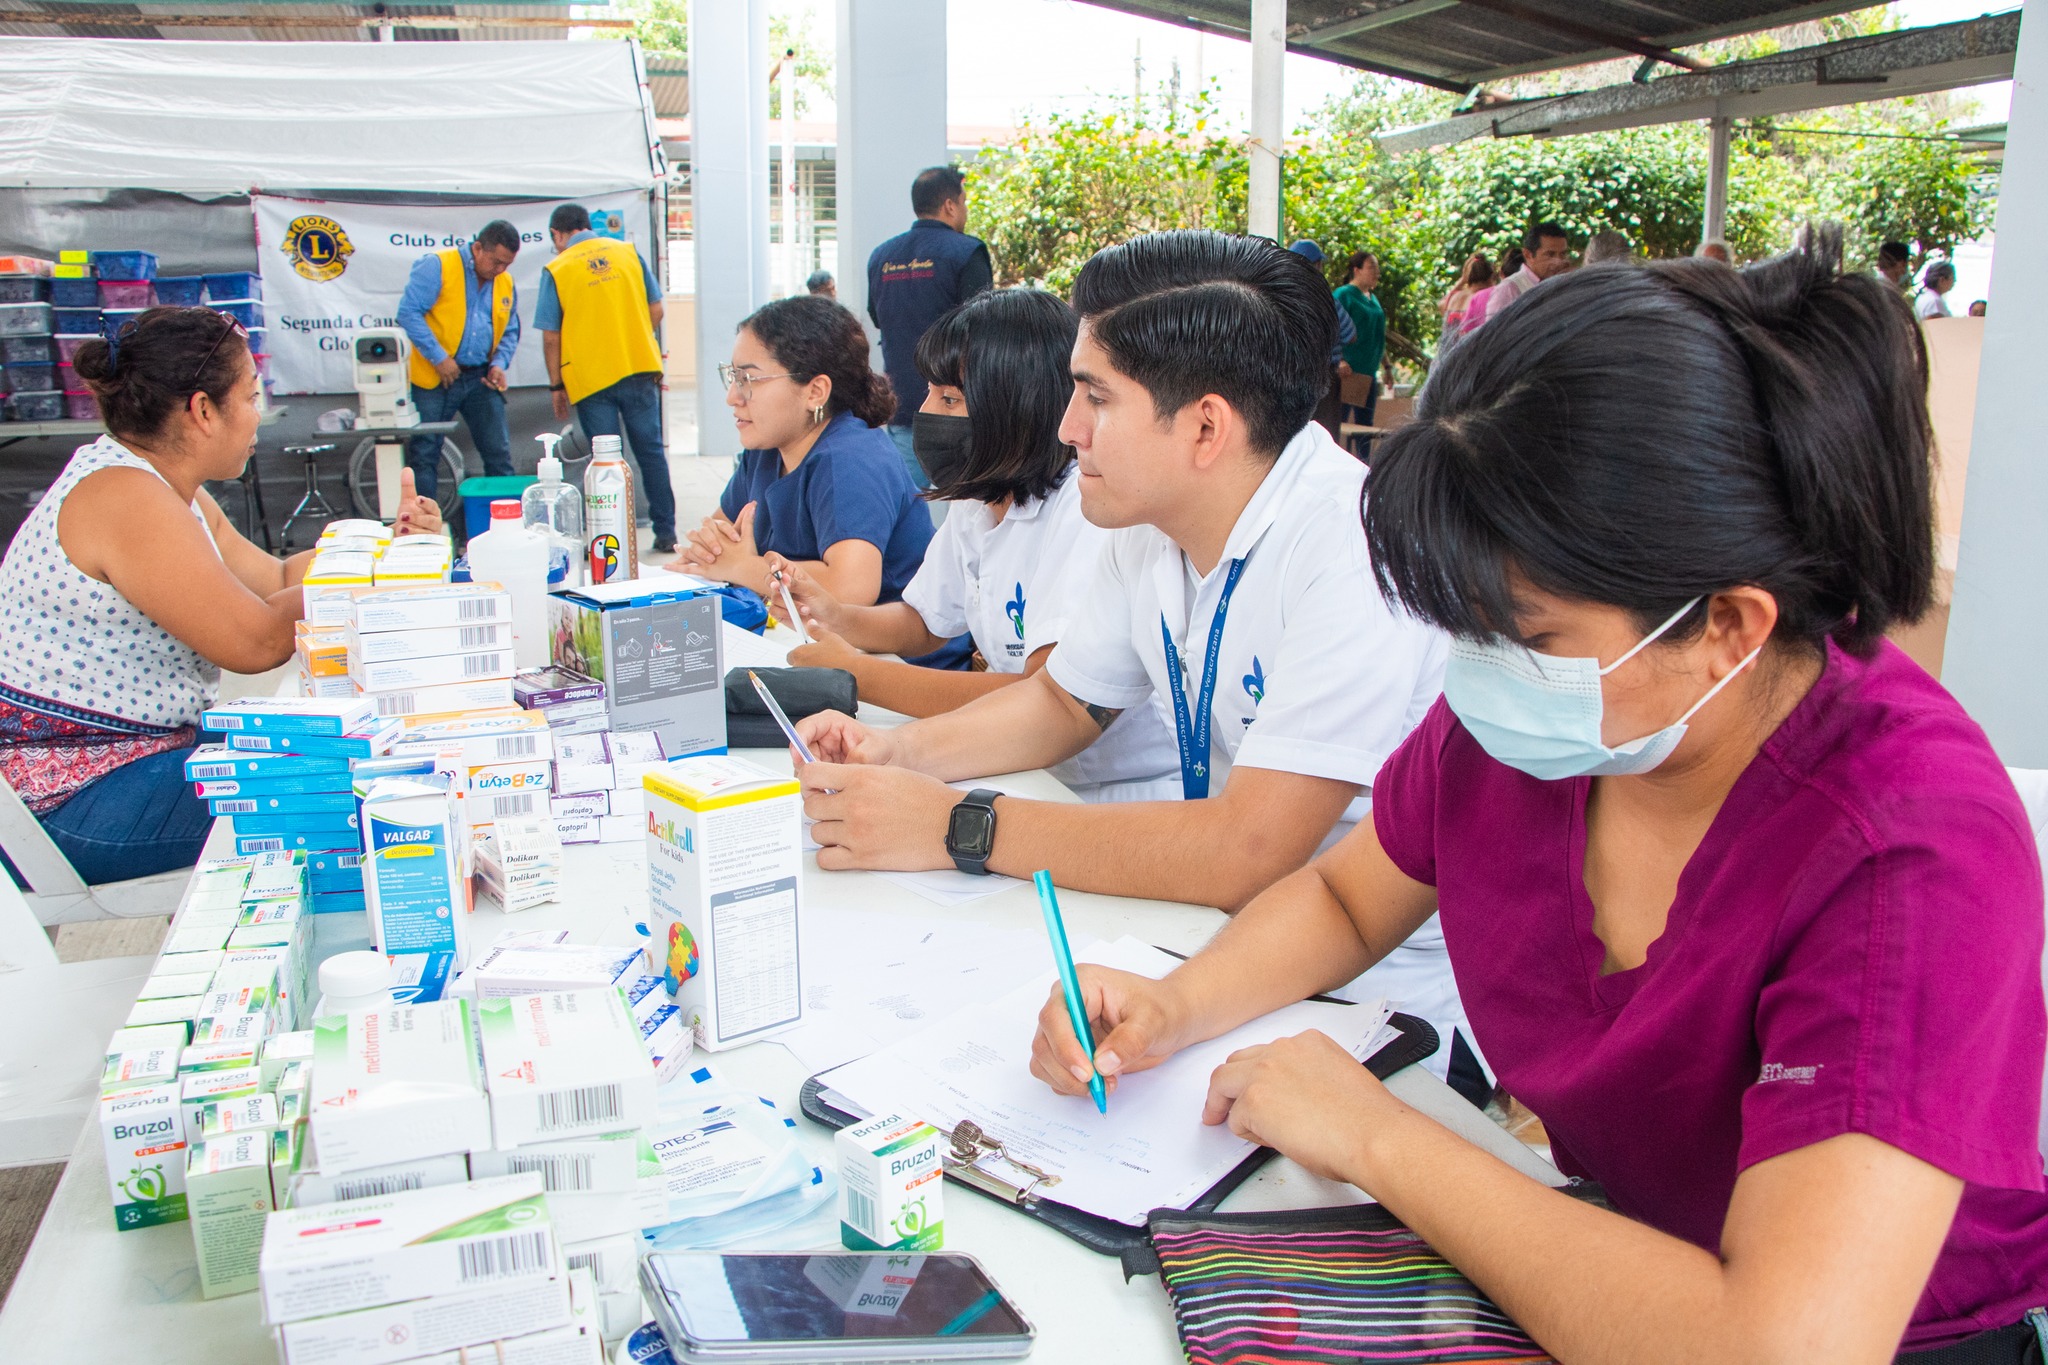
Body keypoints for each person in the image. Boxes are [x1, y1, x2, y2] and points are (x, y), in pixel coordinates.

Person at [1028, 227, 2048, 1361]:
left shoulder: (1905, 846)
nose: (1475, 673)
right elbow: (1348, 901)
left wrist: (1378, 1139)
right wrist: (1178, 1007)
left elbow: (1779, 1342)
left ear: (1725, 626)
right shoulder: (1546, 721)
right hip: (1592, 1256)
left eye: (1525, 635)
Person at [796, 231, 1480, 1097]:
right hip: (1218, 948)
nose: (1065, 429)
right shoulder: (1151, 520)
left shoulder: (1354, 544)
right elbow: (1060, 704)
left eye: (1094, 397)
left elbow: (1250, 848)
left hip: (1380, 1001)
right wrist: (893, 756)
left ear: (1204, 426)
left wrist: (951, 824)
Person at [0, 308, 440, 883]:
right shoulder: (126, 499)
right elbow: (255, 641)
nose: (259, 417)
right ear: (203, 411)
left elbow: (279, 581)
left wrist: (385, 547)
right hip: (71, 800)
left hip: (132, 761)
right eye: (252, 396)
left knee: (356, 745)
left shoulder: (156, 485)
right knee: (354, 793)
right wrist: (373, 576)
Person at [776, 288, 1179, 800]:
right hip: (1021, 763)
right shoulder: (979, 496)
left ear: (1015, 408)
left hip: (1111, 785)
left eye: (949, 399)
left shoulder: (1086, 512)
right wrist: (834, 616)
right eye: (928, 393)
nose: (925, 414)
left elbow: (1040, 695)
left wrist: (858, 674)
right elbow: (925, 622)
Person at [678, 295, 964, 667]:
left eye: (748, 379)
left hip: (901, 666)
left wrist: (741, 567)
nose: (733, 397)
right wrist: (716, 557)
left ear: (815, 391)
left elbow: (850, 587)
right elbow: (714, 544)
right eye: (732, 376)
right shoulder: (766, 449)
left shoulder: (850, 458)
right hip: (811, 648)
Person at [536, 204, 675, 553]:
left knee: (605, 462)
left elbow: (551, 335)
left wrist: (556, 385)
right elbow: (656, 308)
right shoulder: (627, 252)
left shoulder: (557, 268)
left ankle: (610, 538)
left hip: (592, 378)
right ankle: (667, 532)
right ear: (588, 226)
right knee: (651, 452)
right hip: (638, 366)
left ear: (558, 234)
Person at [866, 166, 994, 490]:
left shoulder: (881, 257)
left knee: (907, 509)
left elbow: (878, 317)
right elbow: (985, 326)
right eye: (963, 202)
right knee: (969, 517)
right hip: (959, 408)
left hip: (903, 407)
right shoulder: (967, 252)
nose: (964, 210)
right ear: (950, 205)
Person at [394, 219, 521, 501]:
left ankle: (506, 530)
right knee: (425, 453)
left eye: (507, 265)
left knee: (498, 454)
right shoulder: (437, 265)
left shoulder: (505, 281)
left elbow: (510, 328)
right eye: (496, 262)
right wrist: (439, 357)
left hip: (480, 377)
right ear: (477, 248)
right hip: (434, 377)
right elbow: (408, 313)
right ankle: (426, 536)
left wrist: (499, 363)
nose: (500, 270)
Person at [1285, 239, 1356, 439]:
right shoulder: (1326, 299)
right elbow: (1351, 334)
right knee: (1325, 435)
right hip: (1325, 378)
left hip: (1288, 375)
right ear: (1314, 265)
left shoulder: (1279, 296)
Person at [1465, 223, 1571, 330]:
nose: (1558, 262)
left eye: (1563, 254)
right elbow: (1494, 336)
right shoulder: (1509, 289)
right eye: (1550, 254)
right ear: (1528, 255)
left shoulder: (1562, 286)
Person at [1333, 250, 1393, 425]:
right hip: (1348, 373)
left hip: (1368, 374)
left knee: (1365, 427)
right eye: (1371, 267)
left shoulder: (1373, 300)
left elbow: (1377, 335)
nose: (1376, 272)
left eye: (1377, 268)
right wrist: (1340, 360)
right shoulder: (1343, 295)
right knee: (1337, 423)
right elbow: (1331, 328)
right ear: (1356, 270)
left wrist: (1387, 367)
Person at [1459, 246, 1521, 337]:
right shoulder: (1527, 292)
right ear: (1493, 275)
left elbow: (1464, 332)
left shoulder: (1474, 297)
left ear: (1501, 273)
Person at [1437, 253, 1495, 347]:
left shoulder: (1453, 298)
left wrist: (1462, 280)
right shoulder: (1485, 298)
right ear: (1490, 277)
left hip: (1445, 357)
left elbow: (1441, 305)